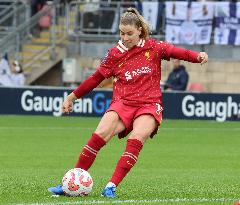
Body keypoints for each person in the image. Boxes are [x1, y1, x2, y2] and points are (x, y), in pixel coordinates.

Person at [48, 7, 208, 198]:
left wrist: (197, 56)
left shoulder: (154, 48)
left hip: (149, 104)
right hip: (123, 102)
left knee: (136, 138)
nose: (125, 38)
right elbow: (95, 79)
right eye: (122, 33)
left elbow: (177, 52)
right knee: (98, 136)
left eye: (129, 33)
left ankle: (111, 186)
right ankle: (70, 184)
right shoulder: (115, 54)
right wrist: (71, 97)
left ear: (140, 30)